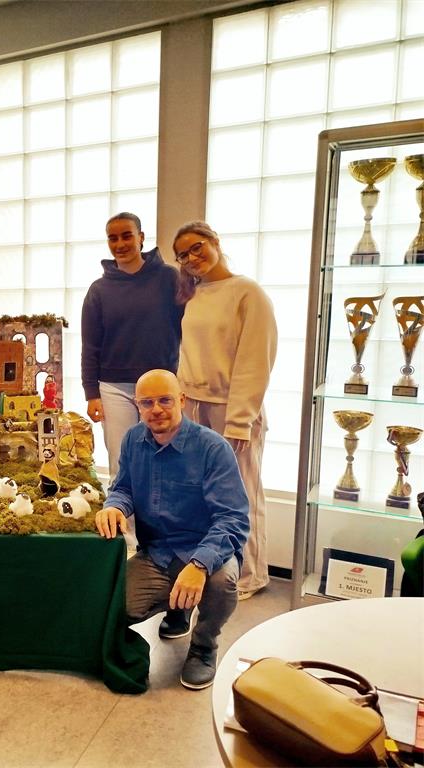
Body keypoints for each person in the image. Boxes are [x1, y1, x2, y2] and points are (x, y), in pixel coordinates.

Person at [95, 369, 249, 690]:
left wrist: (199, 565)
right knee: (115, 609)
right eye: (147, 402)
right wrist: (115, 506)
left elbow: (233, 518)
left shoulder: (212, 448)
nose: (156, 410)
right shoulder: (133, 440)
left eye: (165, 400)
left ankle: (204, 647)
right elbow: (123, 487)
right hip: (157, 554)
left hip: (207, 551)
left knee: (222, 584)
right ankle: (179, 609)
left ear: (182, 400)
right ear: (137, 406)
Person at [173, 221, 277, 601]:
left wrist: (239, 421)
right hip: (193, 407)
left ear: (215, 241)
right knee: (204, 494)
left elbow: (255, 361)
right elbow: (188, 354)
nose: (191, 258)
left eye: (196, 247)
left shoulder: (247, 292)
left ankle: (250, 576)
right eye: (182, 255)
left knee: (242, 493)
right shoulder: (194, 295)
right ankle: (215, 567)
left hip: (233, 409)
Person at [81, 212, 184, 480]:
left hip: (161, 386)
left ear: (141, 238)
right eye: (113, 238)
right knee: (122, 462)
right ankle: (123, 510)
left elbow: (188, 329)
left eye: (127, 236)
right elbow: (90, 347)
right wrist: (91, 393)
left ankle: (159, 510)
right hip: (114, 388)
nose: (120, 244)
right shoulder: (99, 290)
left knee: (164, 459)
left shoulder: (169, 278)